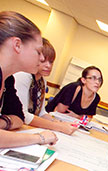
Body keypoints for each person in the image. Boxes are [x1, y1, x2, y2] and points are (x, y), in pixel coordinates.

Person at [0, 11, 57, 148]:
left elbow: (19, 117)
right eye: (38, 51)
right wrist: (39, 137)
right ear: (17, 45)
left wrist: (3, 122)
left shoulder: (7, 79)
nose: (42, 59)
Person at [2, 38, 77, 135]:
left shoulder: (42, 81)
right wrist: (58, 127)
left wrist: (59, 123)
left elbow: (42, 113)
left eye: (51, 62)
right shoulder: (23, 75)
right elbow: (24, 115)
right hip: (11, 127)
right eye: (43, 61)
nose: (48, 66)